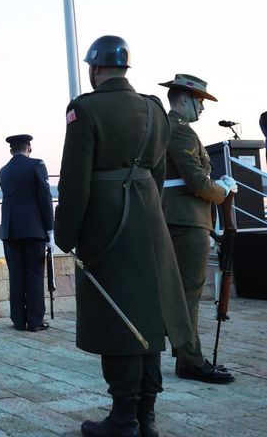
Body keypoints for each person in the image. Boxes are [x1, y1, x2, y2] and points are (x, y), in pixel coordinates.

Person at [54, 36, 192, 437]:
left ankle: (123, 419)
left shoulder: (84, 108)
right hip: (150, 221)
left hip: (107, 224)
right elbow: (159, 174)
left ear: (95, 69)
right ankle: (145, 417)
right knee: (149, 319)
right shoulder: (154, 108)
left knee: (117, 319)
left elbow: (75, 183)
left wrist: (66, 234)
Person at [159, 74, 237, 384]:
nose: (202, 108)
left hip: (174, 216)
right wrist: (223, 190)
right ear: (185, 98)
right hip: (187, 219)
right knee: (189, 292)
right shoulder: (182, 132)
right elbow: (196, 181)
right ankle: (191, 361)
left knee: (181, 291)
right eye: (200, 101)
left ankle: (186, 354)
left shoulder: (165, 128)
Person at [0, 133, 53, 332]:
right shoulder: (37, 165)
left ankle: (19, 320)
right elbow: (45, 197)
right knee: (35, 275)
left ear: (11, 150)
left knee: (16, 275)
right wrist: (49, 228)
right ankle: (35, 320)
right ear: (29, 148)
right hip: (33, 229)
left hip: (10, 230)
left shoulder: (4, 171)